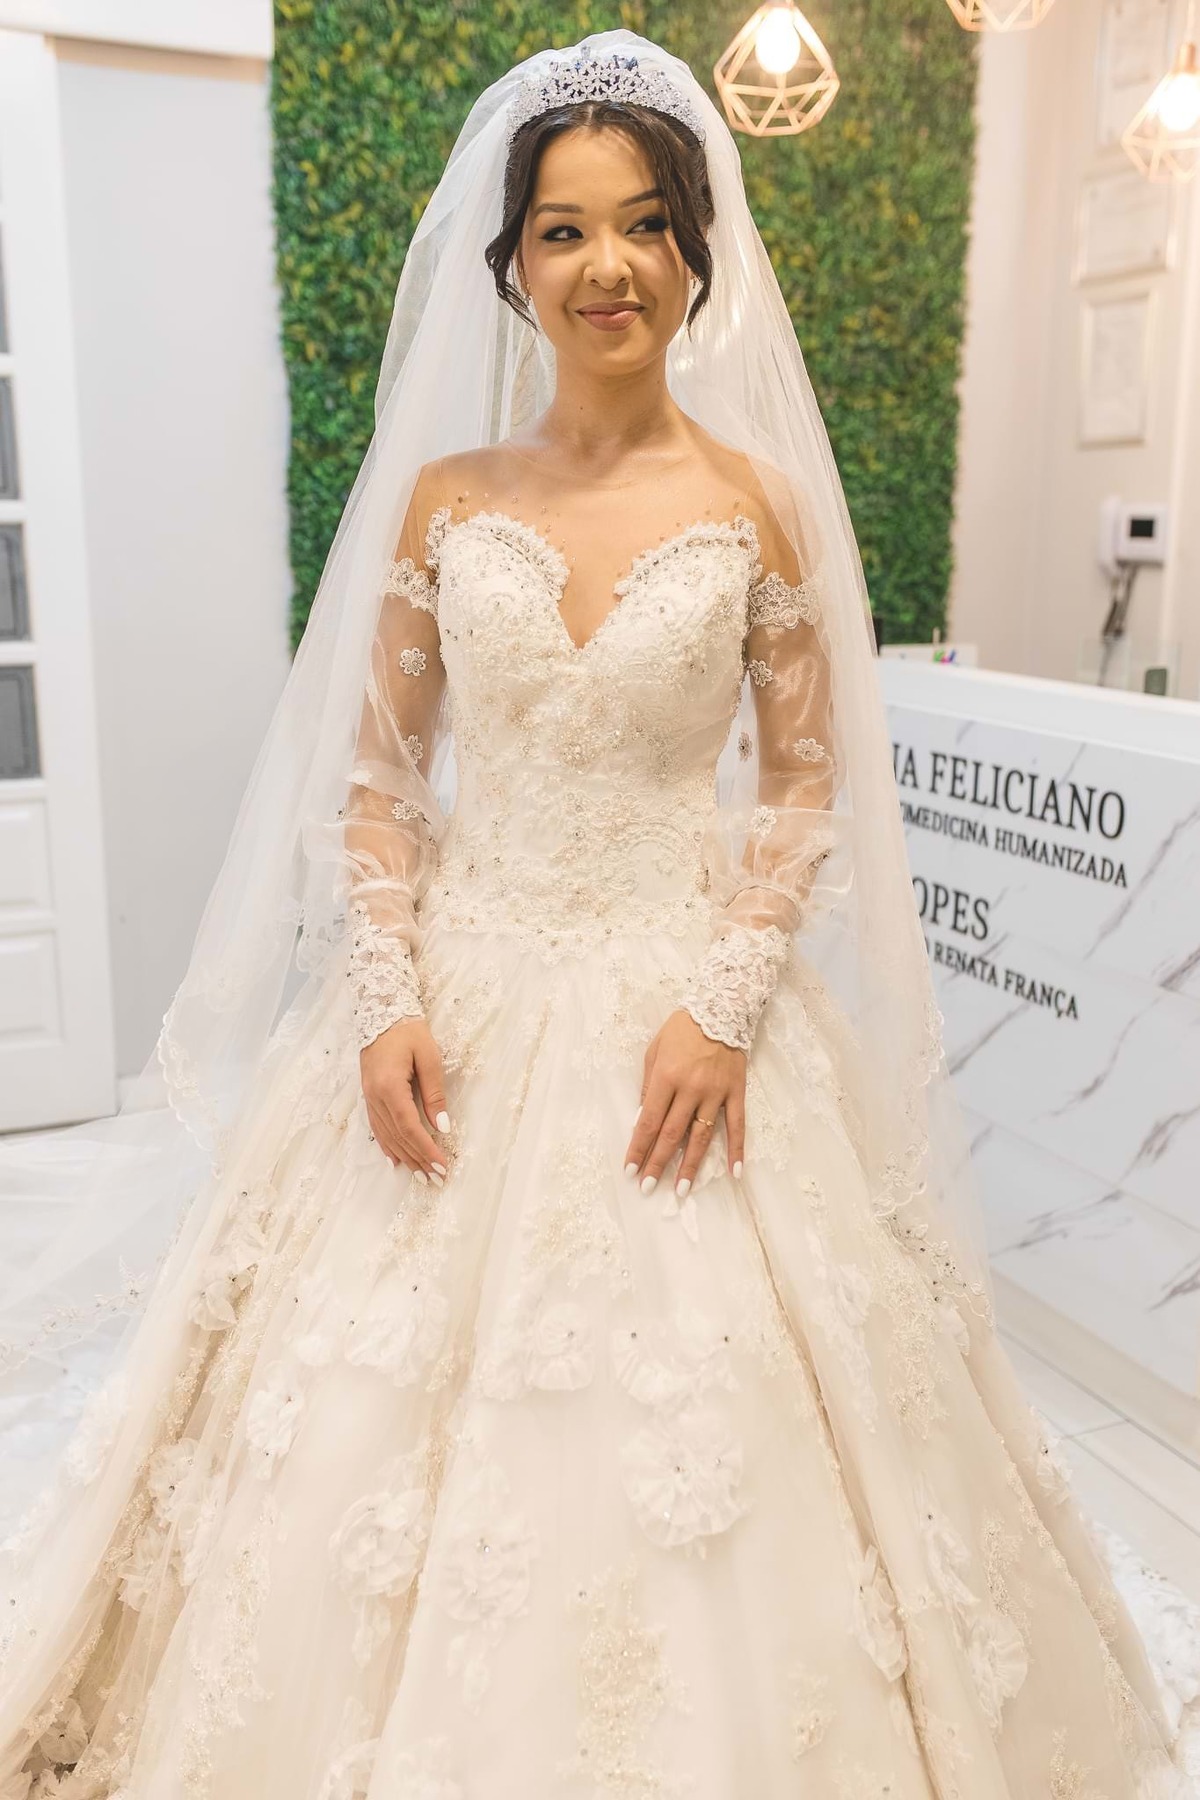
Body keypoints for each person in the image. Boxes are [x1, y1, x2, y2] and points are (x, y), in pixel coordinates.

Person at [0, 28, 1190, 1800]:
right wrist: (385, 998)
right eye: (563, 231)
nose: (606, 264)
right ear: (513, 266)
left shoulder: (757, 508)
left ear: (697, 256)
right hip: (457, 996)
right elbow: (380, 782)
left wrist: (723, 1005)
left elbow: (803, 788)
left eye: (642, 225)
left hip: (680, 998)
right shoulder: (447, 500)